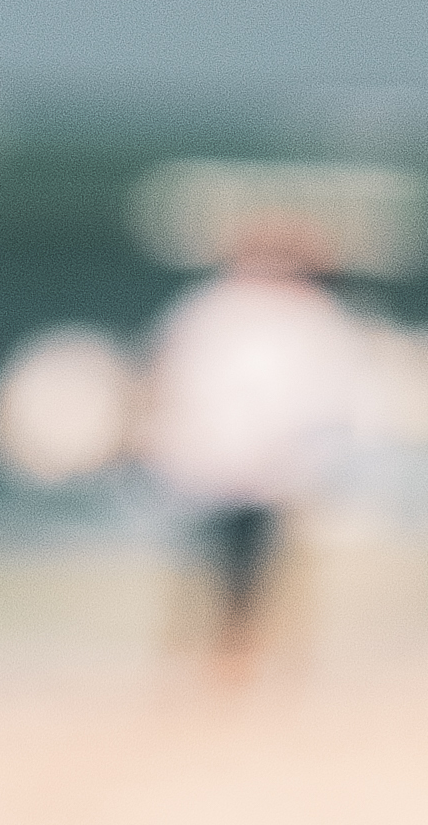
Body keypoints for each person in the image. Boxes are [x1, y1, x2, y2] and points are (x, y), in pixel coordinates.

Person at [127, 234, 374, 660]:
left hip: (232, 463)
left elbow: (168, 376)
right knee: (235, 571)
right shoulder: (279, 315)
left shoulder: (214, 309)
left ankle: (229, 661)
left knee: (226, 570)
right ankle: (229, 661)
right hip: (225, 463)